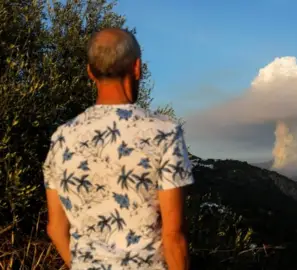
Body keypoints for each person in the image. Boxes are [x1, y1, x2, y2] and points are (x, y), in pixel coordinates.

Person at [43, 28, 193, 270]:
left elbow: (56, 229)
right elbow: (173, 237)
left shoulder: (62, 138)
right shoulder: (164, 133)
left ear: (90, 72)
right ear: (137, 68)